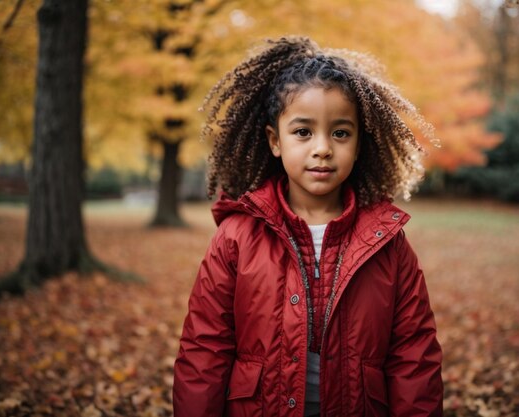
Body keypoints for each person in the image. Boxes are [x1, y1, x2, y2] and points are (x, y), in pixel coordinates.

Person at [173, 36, 443, 417]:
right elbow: (205, 349)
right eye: (303, 132)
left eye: (340, 133)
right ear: (275, 141)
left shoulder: (389, 245)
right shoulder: (236, 237)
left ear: (359, 143)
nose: (322, 148)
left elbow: (413, 357)